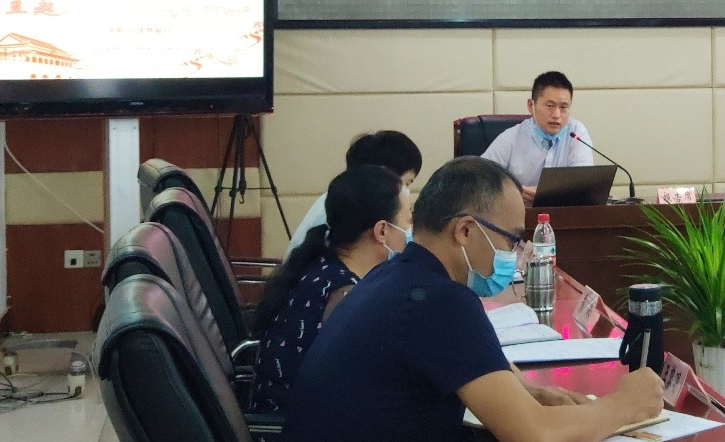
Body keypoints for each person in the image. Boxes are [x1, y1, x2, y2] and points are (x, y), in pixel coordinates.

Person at [283, 157, 663, 442]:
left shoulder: (394, 276)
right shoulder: (440, 300)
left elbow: (470, 366)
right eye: (511, 239)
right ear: (465, 231)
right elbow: (534, 433)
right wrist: (624, 406)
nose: (514, 252)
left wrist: (534, 393)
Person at [249, 164, 413, 416]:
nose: (412, 230)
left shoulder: (322, 266)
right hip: (296, 428)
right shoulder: (344, 296)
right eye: (409, 219)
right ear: (382, 231)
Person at [285, 130, 422, 255]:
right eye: (406, 183)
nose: (406, 193)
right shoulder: (346, 210)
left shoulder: (346, 200)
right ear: (382, 174)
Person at [482, 71, 593, 205]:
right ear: (531, 106)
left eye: (564, 107)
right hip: (521, 214)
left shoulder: (576, 133)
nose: (556, 115)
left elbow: (582, 185)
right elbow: (481, 181)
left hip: (564, 214)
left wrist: (544, 194)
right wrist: (513, 194)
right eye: (550, 106)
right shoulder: (511, 138)